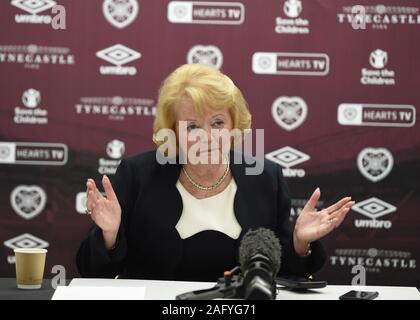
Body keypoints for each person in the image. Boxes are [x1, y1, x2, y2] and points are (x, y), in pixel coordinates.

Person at [76, 64, 354, 281]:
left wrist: (299, 244)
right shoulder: (138, 175)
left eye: (218, 122)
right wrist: (109, 236)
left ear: (235, 125)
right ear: (173, 131)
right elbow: (90, 271)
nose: (206, 137)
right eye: (193, 126)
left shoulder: (265, 178)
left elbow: (285, 273)